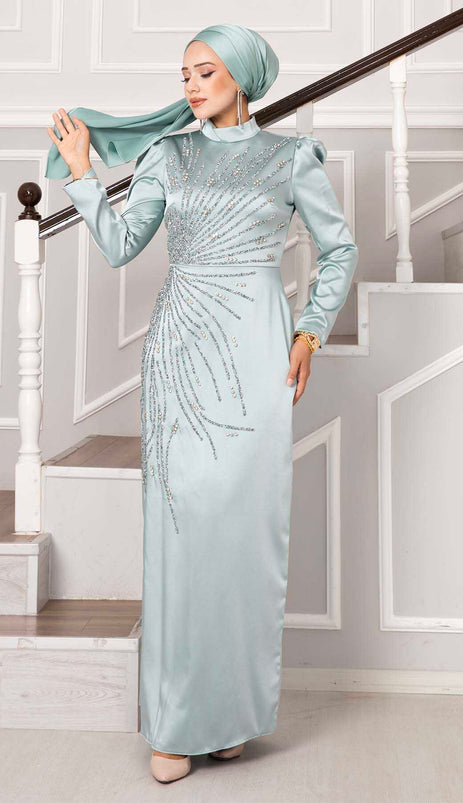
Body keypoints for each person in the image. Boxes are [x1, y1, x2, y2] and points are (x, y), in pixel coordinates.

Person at [45, 23, 358, 785]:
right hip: (180, 355)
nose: (189, 85)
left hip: (257, 352)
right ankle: (178, 721)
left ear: (241, 76)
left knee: (244, 535)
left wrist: (310, 331)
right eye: (183, 73)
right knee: (182, 539)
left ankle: (230, 716)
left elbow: (339, 248)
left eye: (205, 71)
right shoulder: (167, 154)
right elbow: (121, 245)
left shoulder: (290, 157)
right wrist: (83, 173)